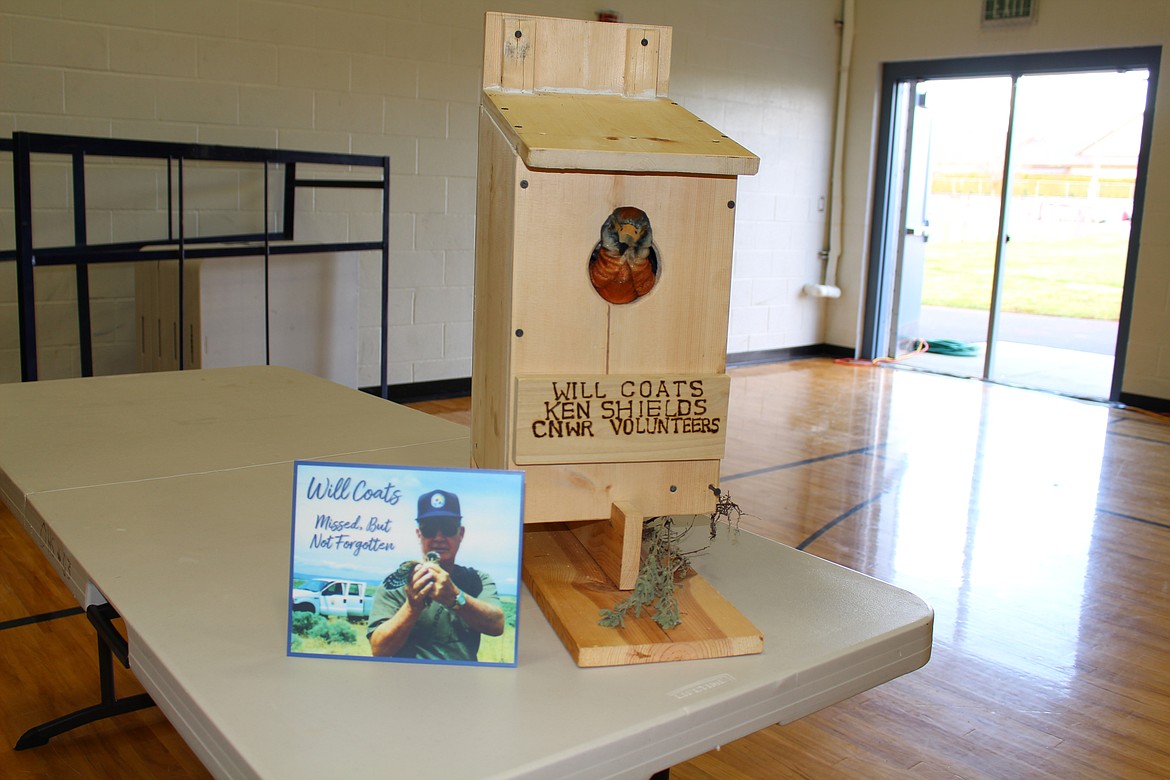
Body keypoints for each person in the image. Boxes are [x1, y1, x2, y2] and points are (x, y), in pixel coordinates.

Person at [367, 489, 505, 660]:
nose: (439, 537)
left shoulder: (478, 580)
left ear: (460, 534)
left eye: (447, 528)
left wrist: (455, 597)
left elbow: (497, 625)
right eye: (429, 529)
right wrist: (412, 607)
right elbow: (378, 649)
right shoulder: (398, 581)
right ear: (419, 534)